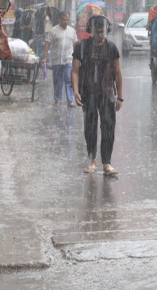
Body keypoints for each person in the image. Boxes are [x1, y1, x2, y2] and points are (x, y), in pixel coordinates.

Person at [71, 15, 123, 175]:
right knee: (90, 128)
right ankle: (92, 161)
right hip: (88, 94)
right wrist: (76, 91)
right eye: (97, 32)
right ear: (91, 31)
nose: (100, 35)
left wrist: (120, 97)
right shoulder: (82, 47)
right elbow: (75, 71)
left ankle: (107, 163)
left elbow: (117, 73)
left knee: (108, 128)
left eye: (103, 32)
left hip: (107, 94)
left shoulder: (112, 48)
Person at [43, 12, 79, 107]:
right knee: (57, 80)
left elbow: (75, 44)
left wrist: (78, 58)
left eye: (67, 20)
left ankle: (70, 100)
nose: (65, 22)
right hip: (56, 59)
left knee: (69, 79)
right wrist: (44, 57)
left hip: (68, 59)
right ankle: (57, 99)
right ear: (59, 19)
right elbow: (47, 43)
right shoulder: (53, 31)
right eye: (63, 20)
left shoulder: (72, 31)